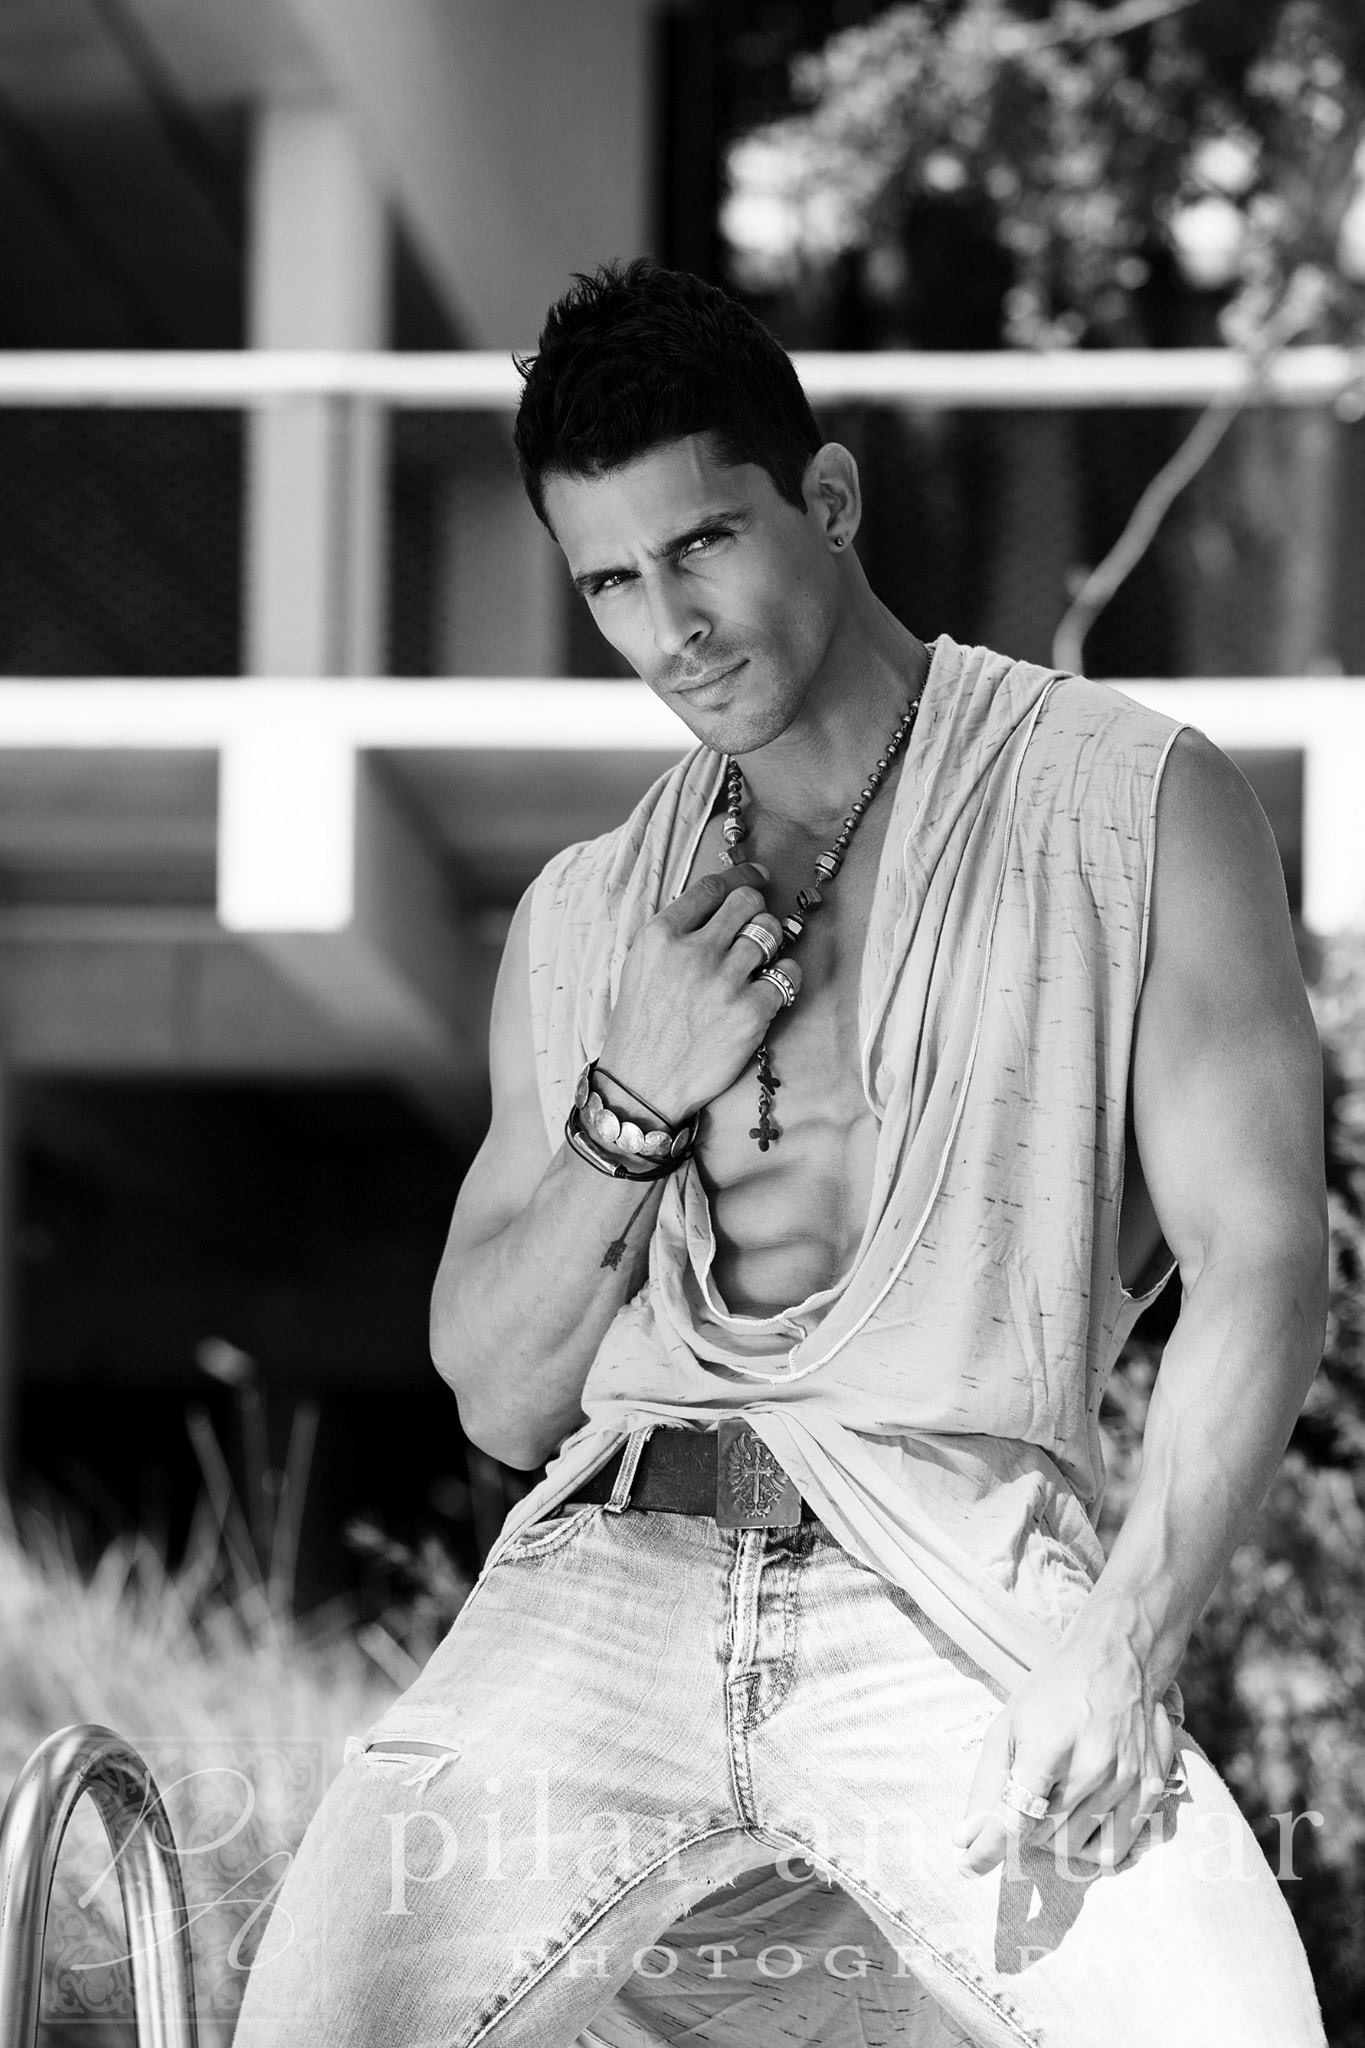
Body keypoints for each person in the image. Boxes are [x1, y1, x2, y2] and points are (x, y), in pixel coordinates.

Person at [233, 260, 1329, 2047]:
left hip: (953, 1579)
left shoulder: (1131, 803)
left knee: (1228, 2023)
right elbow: (500, 1396)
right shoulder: (584, 915)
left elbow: (1262, 1261)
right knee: (310, 2018)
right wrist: (631, 1098)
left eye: (701, 544)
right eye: (609, 581)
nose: (668, 625)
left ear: (826, 499)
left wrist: (1123, 1641)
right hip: (608, 1580)